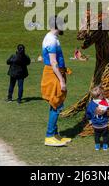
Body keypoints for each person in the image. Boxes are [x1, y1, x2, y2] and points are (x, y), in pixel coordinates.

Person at [40, 16, 71, 147]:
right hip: (53, 75)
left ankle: (55, 134)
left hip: (55, 73)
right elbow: (53, 62)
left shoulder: (52, 38)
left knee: (57, 104)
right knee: (56, 104)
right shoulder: (51, 39)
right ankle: (49, 136)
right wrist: (61, 81)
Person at [86, 86, 109, 151]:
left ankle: (97, 145)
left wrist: (89, 120)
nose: (104, 95)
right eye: (103, 94)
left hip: (95, 124)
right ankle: (105, 145)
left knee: (96, 135)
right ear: (100, 96)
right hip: (104, 123)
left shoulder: (91, 104)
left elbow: (88, 113)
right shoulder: (104, 102)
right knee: (105, 135)